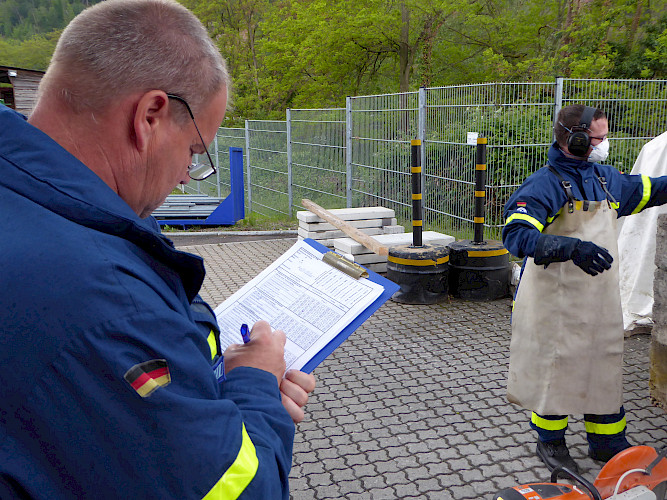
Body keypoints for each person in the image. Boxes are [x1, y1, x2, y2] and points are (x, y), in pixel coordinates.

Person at [0, 0, 315, 498]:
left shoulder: (29, 199)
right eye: (194, 150)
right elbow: (239, 491)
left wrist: (205, 374)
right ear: (149, 115)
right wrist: (257, 388)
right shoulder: (106, 303)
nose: (189, 175)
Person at [502, 104, 667, 473]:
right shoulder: (543, 183)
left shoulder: (606, 179)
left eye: (605, 138)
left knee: (603, 364)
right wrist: (570, 247)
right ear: (574, 139)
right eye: (597, 139)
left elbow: (651, 190)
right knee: (555, 368)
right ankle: (551, 443)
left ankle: (607, 442)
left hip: (599, 301)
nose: (604, 145)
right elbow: (516, 234)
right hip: (555, 301)